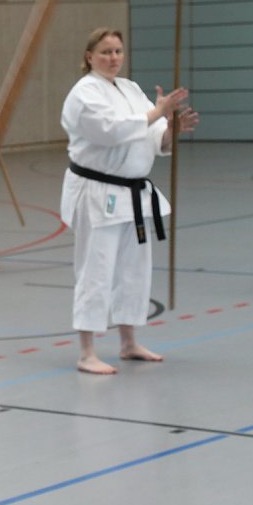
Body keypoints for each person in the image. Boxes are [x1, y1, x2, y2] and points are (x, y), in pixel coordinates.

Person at [59, 28, 198, 375]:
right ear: (89, 56)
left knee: (133, 270)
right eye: (105, 51)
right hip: (97, 193)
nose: (113, 58)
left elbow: (150, 137)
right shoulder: (83, 94)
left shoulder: (131, 89)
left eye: (118, 51)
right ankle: (87, 351)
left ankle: (128, 341)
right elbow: (111, 131)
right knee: (96, 269)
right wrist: (157, 113)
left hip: (133, 194)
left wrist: (169, 130)